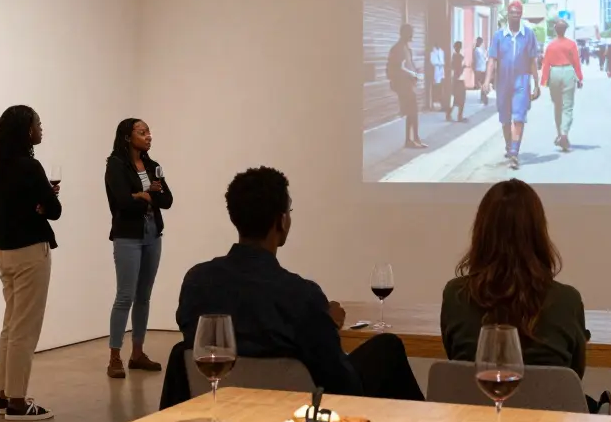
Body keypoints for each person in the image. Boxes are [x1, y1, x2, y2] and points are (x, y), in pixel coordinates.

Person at [169, 167, 424, 405]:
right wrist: (326, 323)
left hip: (222, 402)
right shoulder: (302, 295)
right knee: (388, 347)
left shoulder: (197, 281)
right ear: (281, 221)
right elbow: (343, 383)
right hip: (298, 412)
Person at [441, 179, 588, 376]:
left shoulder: (455, 295)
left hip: (473, 406)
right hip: (549, 406)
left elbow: (456, 361)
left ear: (481, 232)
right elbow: (576, 373)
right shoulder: (567, 300)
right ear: (537, 233)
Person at [0, 105, 61, 422]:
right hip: (31, 252)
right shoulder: (30, 167)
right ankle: (17, 401)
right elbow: (55, 209)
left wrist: (41, 201)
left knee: (11, 325)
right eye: (37, 123)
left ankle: (4, 395)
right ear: (25, 130)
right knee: (25, 329)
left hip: (5, 253)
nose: (41, 128)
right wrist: (45, 201)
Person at [105, 118, 173, 379]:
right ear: (127, 136)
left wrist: (143, 195)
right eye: (142, 132)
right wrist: (145, 195)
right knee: (125, 296)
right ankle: (114, 356)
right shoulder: (116, 165)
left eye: (149, 132)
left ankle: (137, 353)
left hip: (153, 233)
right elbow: (122, 201)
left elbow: (167, 200)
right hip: (127, 236)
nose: (148, 136)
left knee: (144, 296)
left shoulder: (153, 166)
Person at [483, 0, 540, 170]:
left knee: (519, 116)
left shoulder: (529, 35)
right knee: (505, 119)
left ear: (521, 15)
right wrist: (487, 80)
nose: (515, 15)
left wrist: (537, 84)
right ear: (508, 14)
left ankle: (514, 152)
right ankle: (509, 146)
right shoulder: (499, 36)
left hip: (521, 82)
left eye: (518, 12)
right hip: (503, 83)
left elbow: (532, 61)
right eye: (512, 12)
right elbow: (492, 60)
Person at [541, 19, 584, 152]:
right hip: (568, 72)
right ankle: (564, 133)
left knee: (557, 105)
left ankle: (560, 133)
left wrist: (544, 80)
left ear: (555, 30)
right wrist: (580, 78)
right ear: (565, 30)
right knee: (568, 106)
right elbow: (576, 62)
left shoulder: (551, 45)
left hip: (554, 72)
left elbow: (546, 63)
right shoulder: (571, 44)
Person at [387, 24, 426, 148]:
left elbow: (408, 66)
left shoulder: (406, 48)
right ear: (404, 34)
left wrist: (416, 72)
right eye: (410, 33)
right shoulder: (397, 49)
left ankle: (413, 139)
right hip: (402, 85)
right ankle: (412, 139)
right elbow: (394, 69)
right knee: (412, 111)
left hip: (408, 84)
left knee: (412, 112)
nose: (412, 35)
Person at [448, 40, 469, 122]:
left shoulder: (453, 57)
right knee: (461, 99)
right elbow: (459, 69)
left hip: (455, 80)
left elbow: (453, 67)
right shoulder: (459, 57)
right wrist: (464, 67)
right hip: (459, 80)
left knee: (455, 99)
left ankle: (449, 114)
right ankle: (459, 116)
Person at [429, 42, 446, 113]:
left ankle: (441, 104)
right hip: (435, 70)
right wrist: (438, 64)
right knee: (435, 87)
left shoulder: (441, 51)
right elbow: (432, 61)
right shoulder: (432, 53)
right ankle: (434, 104)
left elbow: (442, 60)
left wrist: (441, 65)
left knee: (441, 87)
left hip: (441, 69)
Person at [473, 36, 488, 105]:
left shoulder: (477, 50)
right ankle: (484, 97)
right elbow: (484, 57)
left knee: (481, 83)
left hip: (480, 68)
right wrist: (485, 51)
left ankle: (483, 97)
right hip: (481, 68)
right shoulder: (478, 50)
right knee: (481, 83)